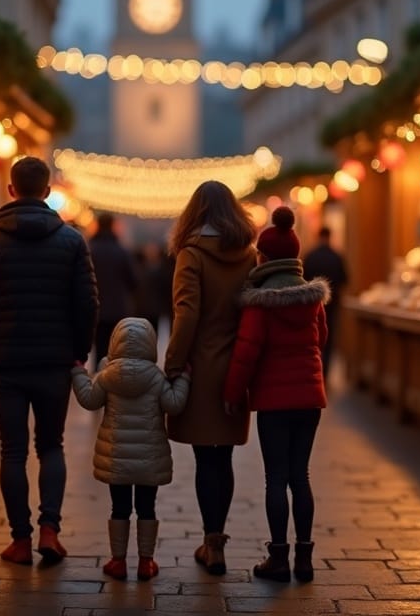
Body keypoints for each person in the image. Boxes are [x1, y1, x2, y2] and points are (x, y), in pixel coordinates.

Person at [0, 156, 98, 566]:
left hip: (6, 361)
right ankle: (50, 530)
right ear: (49, 191)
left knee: (12, 450)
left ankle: (20, 540)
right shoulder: (72, 241)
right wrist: (79, 351)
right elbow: (88, 303)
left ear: (11, 190)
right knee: (51, 446)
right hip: (55, 360)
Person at [224, 205, 329, 583]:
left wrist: (233, 393)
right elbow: (321, 339)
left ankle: (279, 558)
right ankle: (305, 558)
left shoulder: (259, 302)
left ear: (263, 257)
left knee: (277, 478)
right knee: (301, 475)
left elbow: (246, 353)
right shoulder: (312, 298)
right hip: (310, 397)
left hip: (272, 401)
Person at [164, 180, 258, 575]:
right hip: (238, 365)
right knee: (226, 457)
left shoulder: (191, 254)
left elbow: (186, 315)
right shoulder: (250, 256)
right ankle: (217, 540)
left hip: (202, 366)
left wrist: (171, 364)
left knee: (207, 458)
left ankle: (211, 543)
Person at [70, 318, 190, 581]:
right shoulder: (157, 378)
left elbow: (89, 400)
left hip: (117, 459)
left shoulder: (107, 375)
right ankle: (146, 562)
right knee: (147, 509)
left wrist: (79, 373)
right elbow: (174, 404)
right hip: (149, 459)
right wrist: (184, 379)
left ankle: (118, 561)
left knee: (119, 508)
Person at [89, 212, 137, 368]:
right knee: (116, 351)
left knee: (99, 350)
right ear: (112, 226)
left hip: (96, 307)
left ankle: (98, 382)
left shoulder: (91, 250)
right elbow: (133, 281)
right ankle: (114, 382)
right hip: (118, 308)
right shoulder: (121, 251)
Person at [301, 225, 348, 383]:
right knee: (328, 338)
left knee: (313, 339)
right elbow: (345, 279)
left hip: (311, 306)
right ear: (329, 237)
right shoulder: (337, 256)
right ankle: (324, 374)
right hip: (332, 305)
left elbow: (303, 279)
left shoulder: (310, 256)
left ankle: (313, 372)